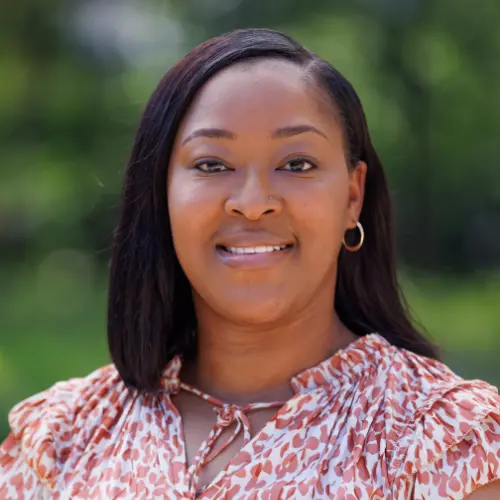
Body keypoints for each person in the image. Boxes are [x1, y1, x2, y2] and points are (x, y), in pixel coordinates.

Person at [1, 28, 499, 500]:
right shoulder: (62, 436)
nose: (253, 201)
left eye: (296, 164)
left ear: (352, 195)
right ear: (162, 195)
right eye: (212, 165)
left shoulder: (444, 442)